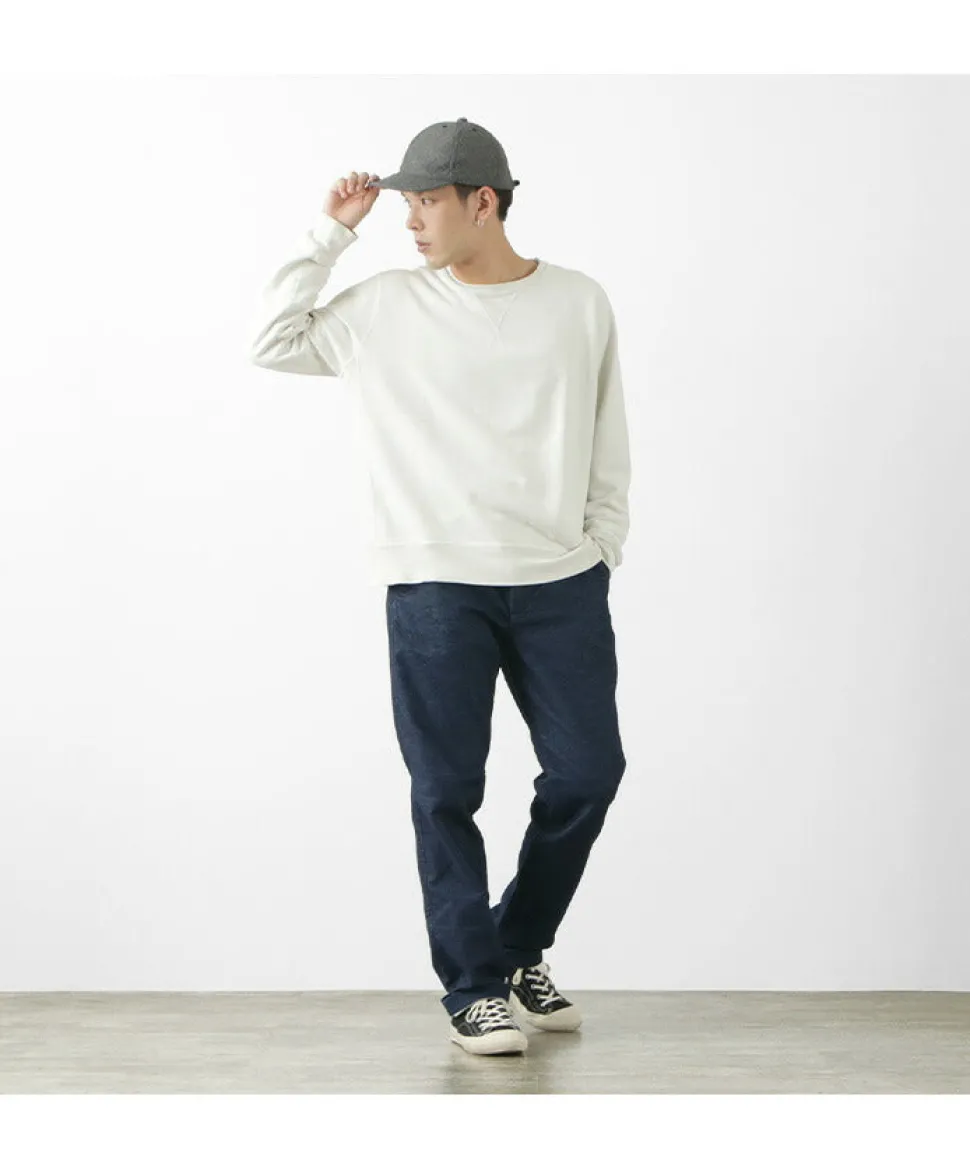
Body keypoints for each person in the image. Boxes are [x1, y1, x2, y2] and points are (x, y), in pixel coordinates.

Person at [249, 117, 630, 1057]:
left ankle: (516, 946)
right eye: (407, 202)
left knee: (589, 774)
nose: (410, 220)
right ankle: (474, 988)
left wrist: (602, 545)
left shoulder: (578, 302)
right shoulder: (385, 306)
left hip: (559, 582)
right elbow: (272, 340)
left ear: (483, 202)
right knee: (446, 790)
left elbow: (606, 430)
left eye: (426, 201)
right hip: (433, 587)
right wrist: (330, 233)